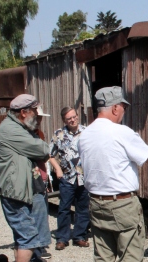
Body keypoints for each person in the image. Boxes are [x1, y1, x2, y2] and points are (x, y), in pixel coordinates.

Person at [78, 86, 148, 262]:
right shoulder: (122, 132)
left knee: (103, 256)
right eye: (124, 107)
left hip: (96, 202)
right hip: (122, 204)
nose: (124, 111)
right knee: (130, 255)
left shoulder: (84, 135)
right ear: (115, 107)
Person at [0, 94, 51, 262]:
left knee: (28, 237)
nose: (37, 115)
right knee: (28, 238)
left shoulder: (19, 127)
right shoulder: (11, 130)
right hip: (16, 193)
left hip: (27, 190)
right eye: (34, 111)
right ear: (24, 112)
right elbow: (42, 150)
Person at [48, 106, 90, 250]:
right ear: (64, 120)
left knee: (83, 208)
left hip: (84, 177)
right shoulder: (59, 134)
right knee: (64, 208)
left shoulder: (87, 132)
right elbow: (49, 154)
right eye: (69, 118)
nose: (72, 120)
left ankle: (80, 236)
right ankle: (62, 238)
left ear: (77, 116)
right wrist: (57, 168)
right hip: (67, 177)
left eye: (74, 117)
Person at [33, 106, 52, 260]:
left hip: (42, 176)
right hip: (33, 178)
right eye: (37, 117)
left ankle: (40, 245)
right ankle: (37, 246)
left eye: (40, 118)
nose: (39, 121)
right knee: (36, 213)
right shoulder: (26, 136)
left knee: (42, 212)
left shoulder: (40, 134)